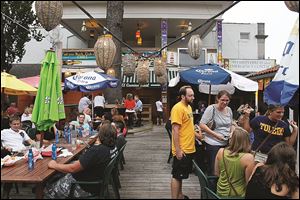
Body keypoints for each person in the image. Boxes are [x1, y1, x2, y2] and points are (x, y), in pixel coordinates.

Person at [45, 123, 118, 198]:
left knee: (47, 189)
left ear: (101, 135)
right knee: (62, 171)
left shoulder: (97, 151)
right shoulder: (113, 147)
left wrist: (54, 165)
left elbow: (72, 169)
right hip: (96, 182)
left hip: (83, 186)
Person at [199, 90, 235, 175]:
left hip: (226, 142)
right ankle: (211, 186)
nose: (225, 102)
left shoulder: (229, 110)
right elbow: (202, 124)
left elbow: (231, 124)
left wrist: (232, 132)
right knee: (214, 168)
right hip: (213, 142)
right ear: (217, 99)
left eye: (227, 100)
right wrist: (215, 135)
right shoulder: (211, 109)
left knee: (225, 167)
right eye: (222, 100)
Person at [214, 127, 255, 198]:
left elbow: (217, 173)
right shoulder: (248, 158)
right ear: (247, 141)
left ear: (231, 140)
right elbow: (248, 182)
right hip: (238, 195)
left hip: (220, 193)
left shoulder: (221, 151)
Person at [170, 85, 196, 199]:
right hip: (182, 149)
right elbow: (175, 130)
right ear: (182, 96)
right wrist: (178, 150)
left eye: (193, 95)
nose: (193, 97)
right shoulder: (178, 108)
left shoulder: (188, 107)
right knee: (176, 176)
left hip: (189, 147)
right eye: (190, 95)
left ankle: (180, 195)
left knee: (181, 175)